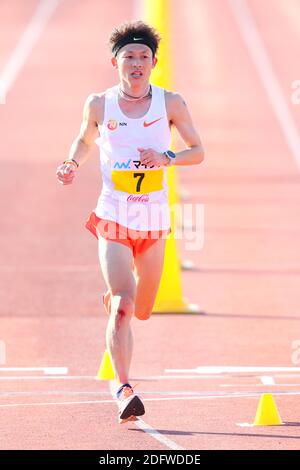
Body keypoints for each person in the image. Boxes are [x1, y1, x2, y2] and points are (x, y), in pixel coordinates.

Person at [56, 20, 204, 424]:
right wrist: (71, 163)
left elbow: (198, 150)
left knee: (141, 309)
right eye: (128, 57)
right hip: (114, 217)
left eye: (142, 57)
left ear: (153, 62)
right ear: (115, 62)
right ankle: (124, 389)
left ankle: (119, 300)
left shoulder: (170, 102)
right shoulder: (99, 104)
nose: (136, 64)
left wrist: (167, 158)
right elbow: (85, 140)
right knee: (123, 306)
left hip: (153, 221)